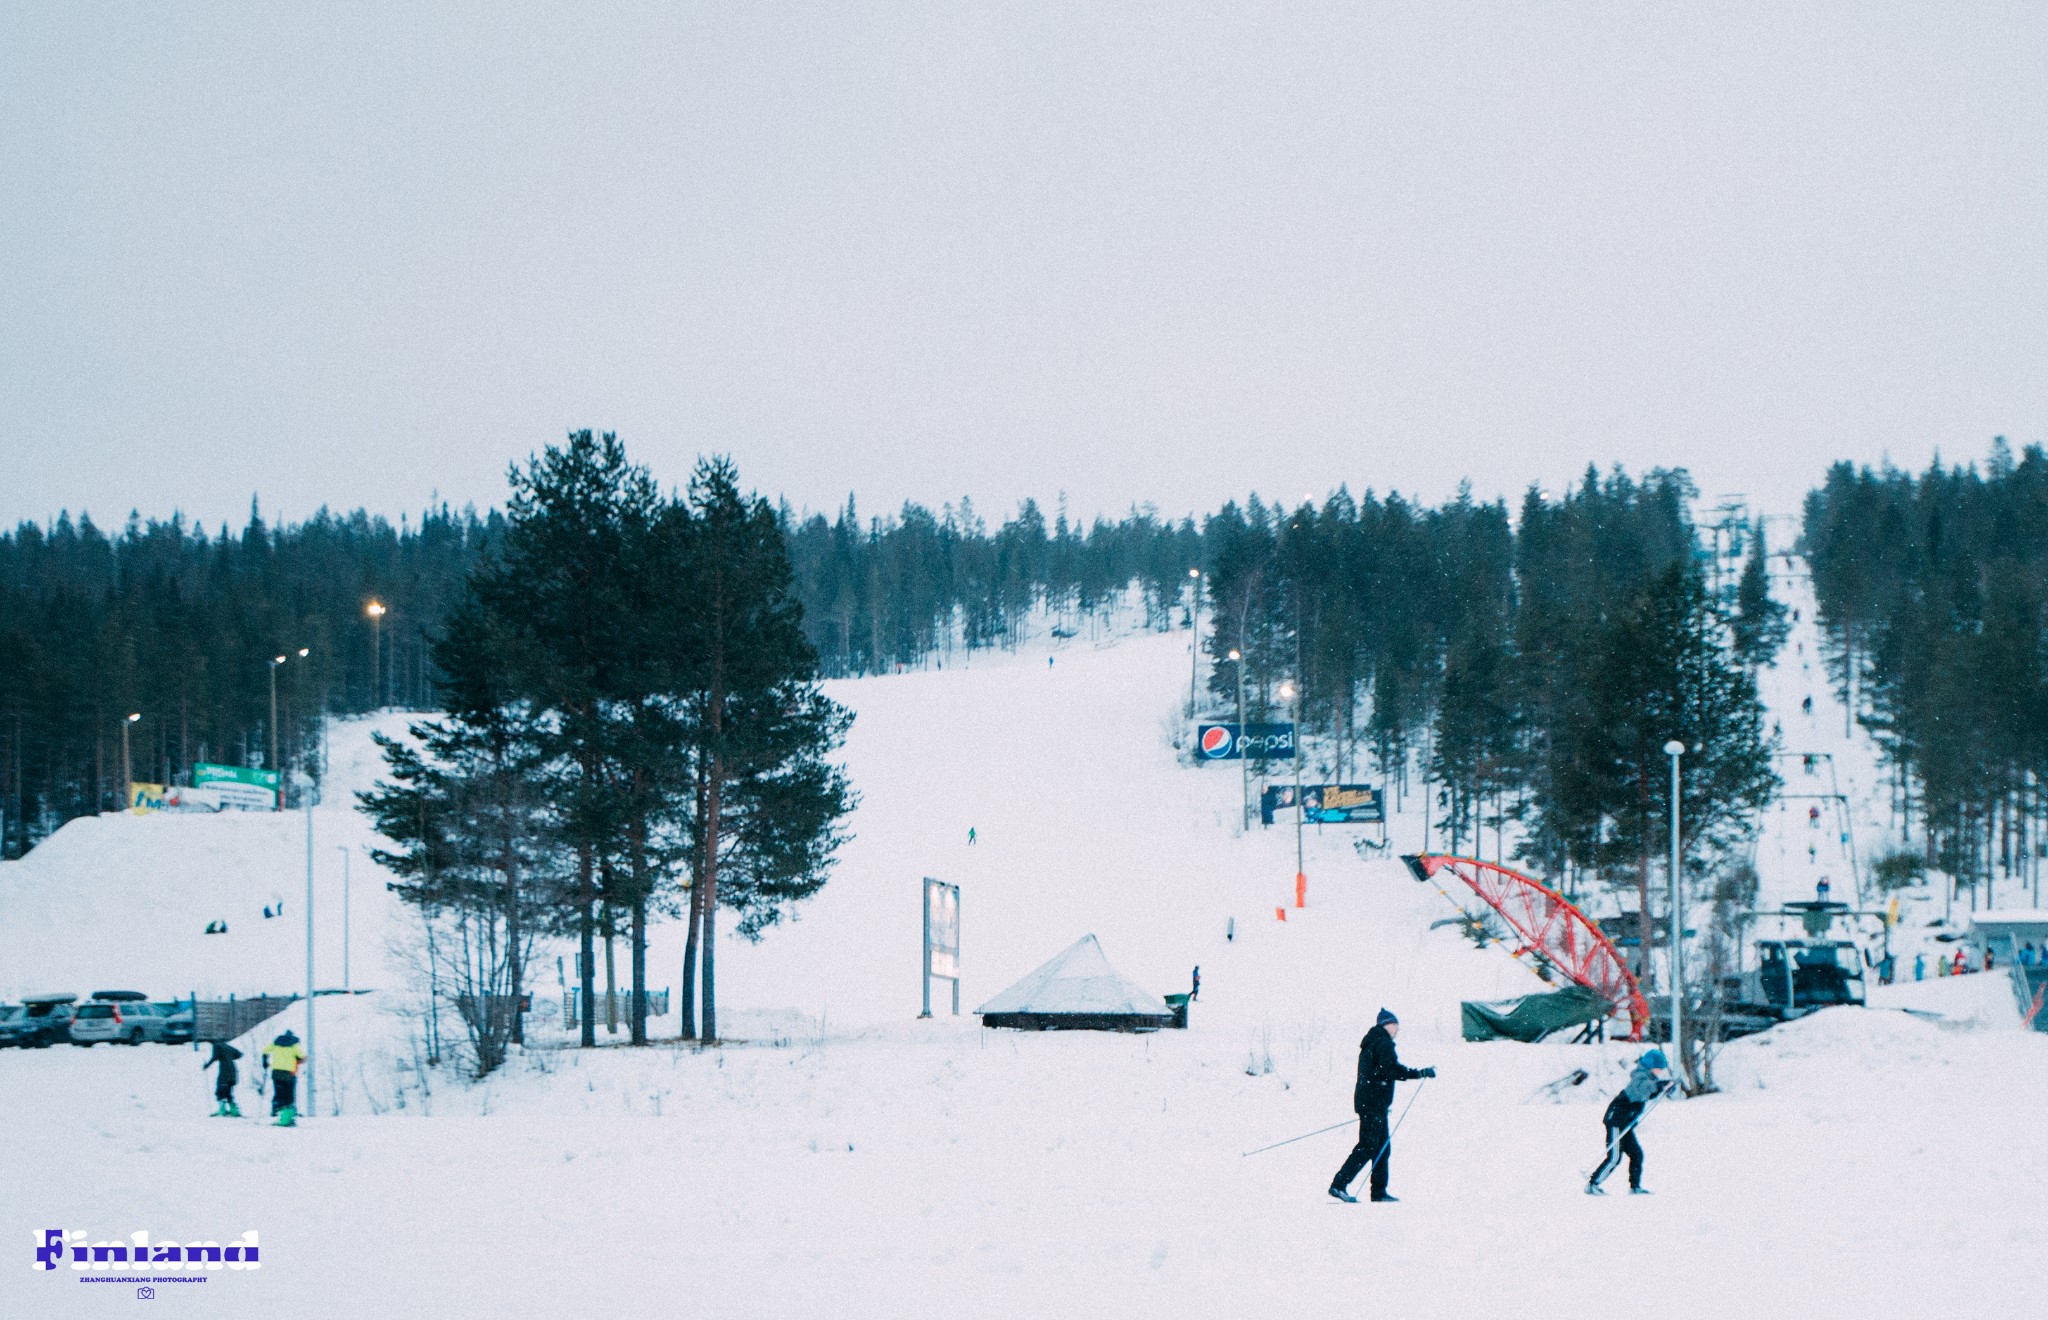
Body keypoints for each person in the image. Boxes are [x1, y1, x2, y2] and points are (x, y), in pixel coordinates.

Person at [1328, 1009, 1434, 1204]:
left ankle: (1378, 1192)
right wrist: (1419, 1073)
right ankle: (1339, 1184)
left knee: (1381, 1148)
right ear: (1387, 1025)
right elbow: (1391, 1070)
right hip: (1373, 1105)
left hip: (1372, 1104)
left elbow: (1381, 1071)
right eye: (1395, 1026)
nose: (1397, 1030)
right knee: (1368, 1146)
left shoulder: (1372, 1042)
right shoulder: (1382, 1042)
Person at [1588, 1049, 1672, 1195]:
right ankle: (1593, 1184)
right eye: (1659, 1068)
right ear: (1651, 1066)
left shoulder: (1649, 1078)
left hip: (1626, 1123)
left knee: (1636, 1154)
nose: (1660, 1071)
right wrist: (1658, 1086)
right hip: (1616, 1120)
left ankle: (1635, 1187)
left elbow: (1648, 1094)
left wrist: (1662, 1089)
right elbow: (1639, 1090)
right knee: (1614, 1157)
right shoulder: (1639, 1077)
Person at [263, 1030, 306, 1127]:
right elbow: (302, 1057)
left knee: (279, 1094)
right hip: (288, 1073)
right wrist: (298, 1060)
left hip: (276, 1072)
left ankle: (279, 1114)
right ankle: (287, 1119)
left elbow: (265, 1050)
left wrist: (265, 1061)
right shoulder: (294, 1045)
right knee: (289, 1096)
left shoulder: (276, 1043)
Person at [203, 1041, 242, 1117]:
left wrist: (206, 1065)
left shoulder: (217, 1046)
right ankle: (234, 1111)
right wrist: (228, 1057)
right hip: (233, 1072)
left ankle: (222, 1110)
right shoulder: (228, 1047)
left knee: (220, 1092)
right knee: (228, 1093)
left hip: (224, 1073)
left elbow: (214, 1057)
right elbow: (239, 1054)